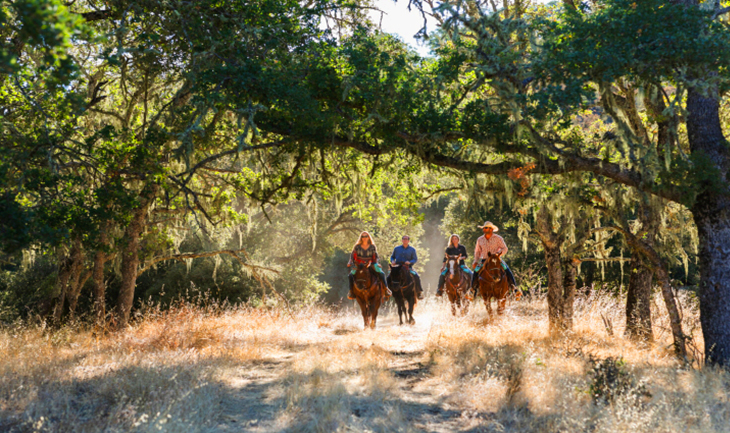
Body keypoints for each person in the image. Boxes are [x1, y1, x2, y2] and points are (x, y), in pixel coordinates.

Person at [471, 221, 517, 295]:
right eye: (484, 228)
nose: (484, 229)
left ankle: (515, 288)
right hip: (484, 260)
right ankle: (472, 291)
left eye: (486, 228)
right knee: (475, 271)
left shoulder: (498, 238)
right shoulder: (480, 239)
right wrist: (475, 261)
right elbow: (477, 252)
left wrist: (498, 254)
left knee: (506, 269)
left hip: (496, 259)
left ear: (491, 229)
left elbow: (505, 248)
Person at [347, 231, 391, 300]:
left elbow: (375, 257)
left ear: (368, 237)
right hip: (359, 265)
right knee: (350, 275)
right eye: (363, 236)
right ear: (361, 238)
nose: (364, 238)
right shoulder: (357, 247)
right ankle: (351, 292)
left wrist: (377, 263)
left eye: (366, 236)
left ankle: (386, 289)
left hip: (370, 264)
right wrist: (350, 262)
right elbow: (352, 256)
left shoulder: (372, 247)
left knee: (381, 273)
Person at [389, 235, 424, 299]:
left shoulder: (412, 250)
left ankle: (419, 292)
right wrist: (392, 261)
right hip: (397, 267)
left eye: (406, 239)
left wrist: (410, 262)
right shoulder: (396, 248)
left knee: (416, 276)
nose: (405, 240)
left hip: (407, 267)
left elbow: (415, 259)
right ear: (402, 240)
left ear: (408, 241)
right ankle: (387, 292)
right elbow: (392, 257)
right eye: (403, 239)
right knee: (389, 276)